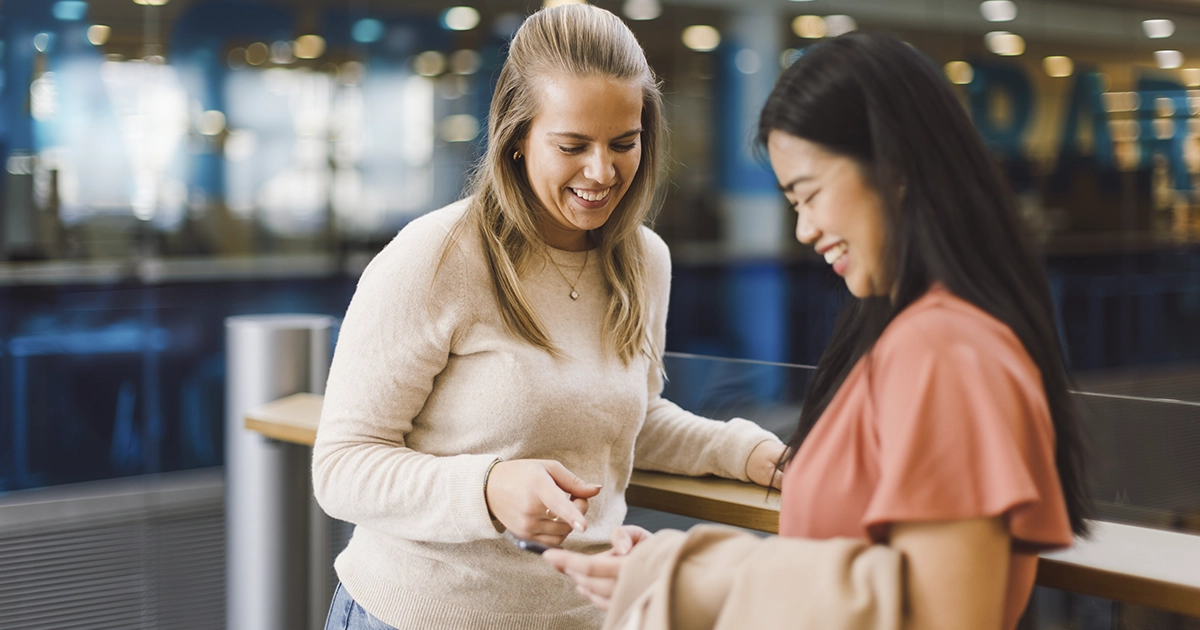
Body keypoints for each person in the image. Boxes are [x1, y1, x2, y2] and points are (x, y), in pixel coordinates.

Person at [546, 32, 1092, 630]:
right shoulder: (921, 338)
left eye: (809, 195)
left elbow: (947, 611)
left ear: (897, 166)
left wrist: (696, 573)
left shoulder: (944, 350)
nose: (804, 230)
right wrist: (673, 567)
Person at [311, 5, 785, 630]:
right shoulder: (433, 258)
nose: (602, 171)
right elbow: (342, 465)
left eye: (624, 143)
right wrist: (489, 489)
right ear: (515, 137)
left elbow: (619, 420)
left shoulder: (646, 259)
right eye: (572, 145)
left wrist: (753, 455)